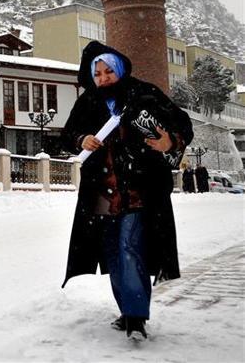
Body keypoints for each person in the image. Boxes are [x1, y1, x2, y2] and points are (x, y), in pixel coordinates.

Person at [61, 41, 193, 340]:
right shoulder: (88, 102)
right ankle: (127, 311)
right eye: (97, 74)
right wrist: (82, 139)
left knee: (129, 247)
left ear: (120, 69)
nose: (103, 78)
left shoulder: (145, 94)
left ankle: (136, 316)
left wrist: (170, 141)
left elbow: (182, 123)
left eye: (109, 71)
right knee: (112, 253)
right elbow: (66, 135)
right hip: (102, 193)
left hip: (139, 191)